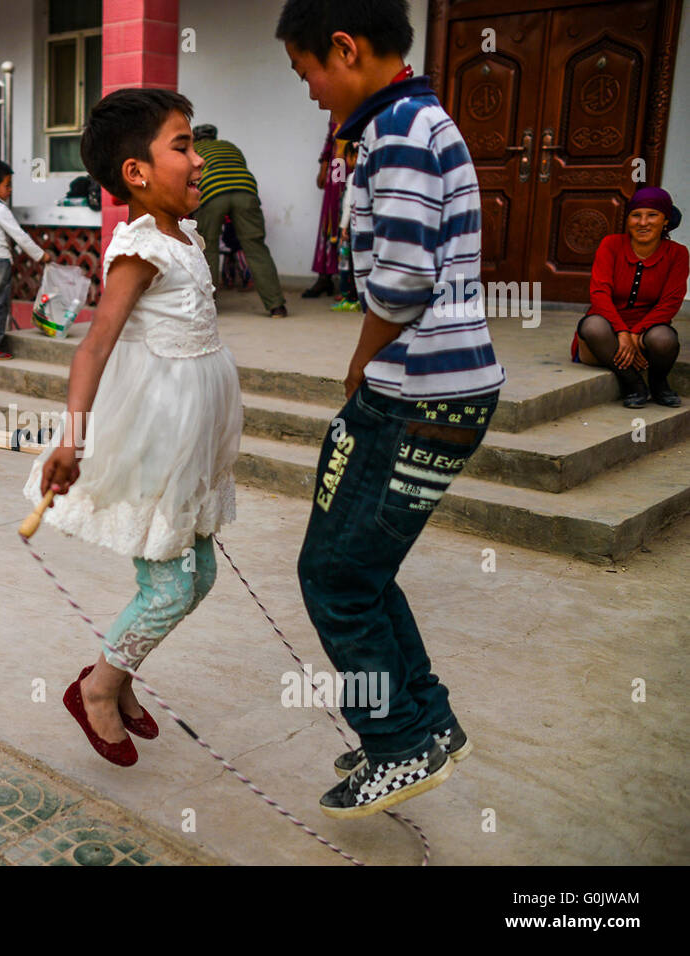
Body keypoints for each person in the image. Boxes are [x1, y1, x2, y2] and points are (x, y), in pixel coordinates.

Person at [278, 0, 505, 818]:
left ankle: (398, 744)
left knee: (332, 578)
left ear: (345, 48)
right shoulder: (412, 119)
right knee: (364, 572)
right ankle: (426, 723)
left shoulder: (400, 131)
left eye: (306, 72)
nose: (307, 92)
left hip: (414, 391)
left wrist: (360, 359)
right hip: (447, 386)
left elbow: (403, 279)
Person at [24, 89, 243, 768]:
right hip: (157, 440)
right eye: (182, 146)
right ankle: (97, 688)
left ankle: (112, 679)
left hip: (189, 444)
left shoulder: (183, 236)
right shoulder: (142, 247)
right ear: (136, 173)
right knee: (171, 586)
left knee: (197, 576)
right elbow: (94, 345)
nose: (199, 159)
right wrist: (73, 438)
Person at [572, 187, 685, 408]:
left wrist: (635, 333)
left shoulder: (678, 253)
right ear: (628, 219)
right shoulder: (611, 244)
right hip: (607, 332)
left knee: (664, 339)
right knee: (592, 326)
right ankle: (633, 384)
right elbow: (599, 293)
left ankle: (658, 382)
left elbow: (671, 301)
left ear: (665, 220)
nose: (643, 222)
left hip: (647, 333)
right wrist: (622, 332)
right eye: (636, 215)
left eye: (652, 215)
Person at [190, 124, 288, 316]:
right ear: (215, 136)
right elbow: (240, 166)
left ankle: (206, 307)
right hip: (245, 190)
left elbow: (191, 175)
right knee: (255, 246)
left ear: (195, 138)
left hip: (212, 192)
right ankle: (276, 305)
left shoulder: (194, 150)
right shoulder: (231, 146)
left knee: (207, 247)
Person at [0, 159, 51, 360]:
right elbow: (20, 236)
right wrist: (41, 255)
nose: (10, 190)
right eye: (6, 185)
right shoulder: (0, 210)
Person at [304, 117, 346, 298]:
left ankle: (349, 284)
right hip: (338, 165)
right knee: (332, 216)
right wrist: (323, 166)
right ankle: (325, 276)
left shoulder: (364, 100)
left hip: (356, 163)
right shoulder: (335, 109)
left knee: (350, 216)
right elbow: (331, 139)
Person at [329, 139, 361, 312]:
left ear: (354, 156)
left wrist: (343, 227)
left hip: (350, 228)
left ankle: (349, 296)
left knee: (347, 264)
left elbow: (348, 203)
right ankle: (360, 297)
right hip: (363, 226)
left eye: (347, 157)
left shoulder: (352, 177)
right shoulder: (370, 175)